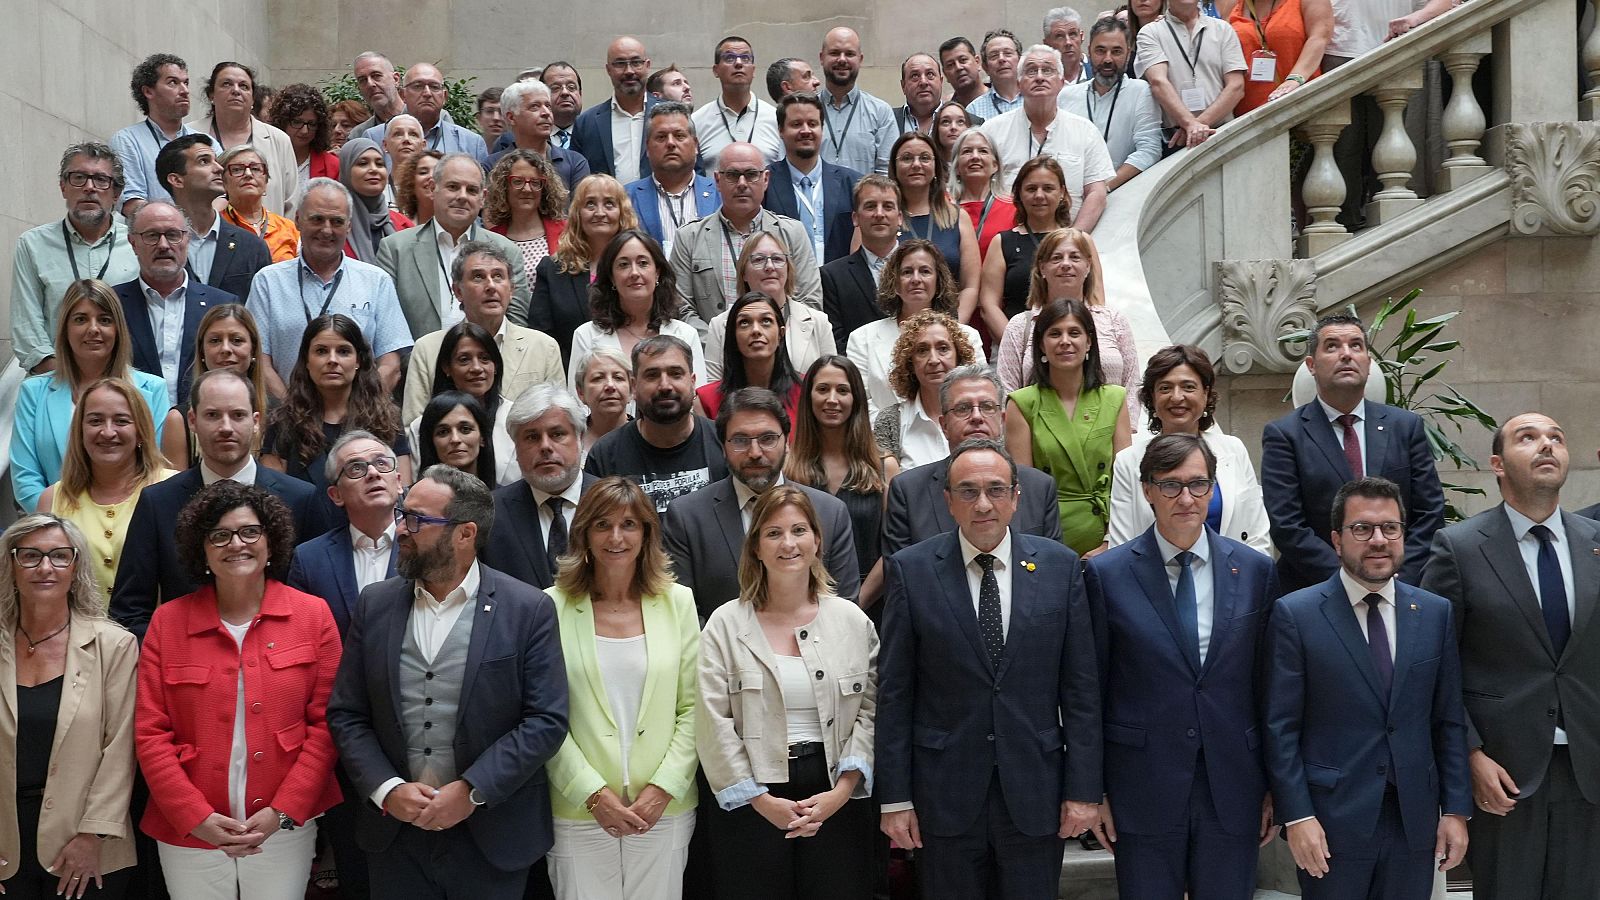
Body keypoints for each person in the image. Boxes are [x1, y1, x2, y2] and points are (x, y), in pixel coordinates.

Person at [327, 465, 570, 900]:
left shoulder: (528, 608)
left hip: (492, 834)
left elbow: (545, 720)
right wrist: (387, 789)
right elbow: (348, 713)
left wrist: (473, 790)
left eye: (416, 519)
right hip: (395, 836)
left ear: (465, 534)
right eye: (403, 514)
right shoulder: (375, 604)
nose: (402, 528)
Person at [877, 438, 1102, 900]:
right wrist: (895, 798)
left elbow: (1081, 691)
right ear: (948, 500)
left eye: (996, 490)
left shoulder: (1060, 568)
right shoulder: (912, 570)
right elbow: (895, 693)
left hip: (1035, 791)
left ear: (1016, 497)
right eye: (968, 491)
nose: (983, 504)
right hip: (944, 793)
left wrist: (1083, 790)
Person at [1084, 432, 1280, 898]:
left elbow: (1271, 688)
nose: (1186, 499)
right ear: (1147, 490)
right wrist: (1094, 790)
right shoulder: (1106, 575)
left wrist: (1275, 787)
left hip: (1233, 784)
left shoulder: (1256, 571)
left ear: (1213, 489)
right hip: (1140, 784)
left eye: (1198, 484)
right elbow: (1089, 691)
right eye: (1170, 485)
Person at [1420, 413, 1600, 900]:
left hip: (1588, 769)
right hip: (1503, 773)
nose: (1547, 444)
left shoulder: (1595, 542)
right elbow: (1433, 666)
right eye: (1528, 437)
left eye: (1556, 437)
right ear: (1497, 464)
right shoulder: (1459, 548)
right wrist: (1470, 755)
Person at [134, 481, 342, 900]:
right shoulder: (167, 622)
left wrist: (282, 811)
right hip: (189, 829)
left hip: (282, 825)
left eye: (249, 532)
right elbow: (150, 733)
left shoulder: (313, 615)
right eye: (220, 535)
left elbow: (326, 725)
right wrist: (193, 815)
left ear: (270, 541)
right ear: (202, 549)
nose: (236, 544)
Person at [1265, 477, 1471, 899]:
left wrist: (1455, 810)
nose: (1378, 540)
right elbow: (1280, 728)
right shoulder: (1297, 615)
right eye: (1362, 528)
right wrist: (1297, 816)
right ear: (1337, 540)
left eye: (1390, 528)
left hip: (1414, 822)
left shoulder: (1434, 613)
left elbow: (1448, 720)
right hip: (1330, 823)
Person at [696, 485, 879, 899]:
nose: (788, 543)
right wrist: (760, 801)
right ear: (756, 547)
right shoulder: (725, 624)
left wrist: (842, 791)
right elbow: (712, 721)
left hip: (835, 790)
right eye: (774, 533)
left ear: (817, 541)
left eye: (799, 530)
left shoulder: (852, 621)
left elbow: (870, 711)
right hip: (752, 797)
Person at [545, 477, 701, 900]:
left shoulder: (679, 602)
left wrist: (663, 789)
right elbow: (543, 716)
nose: (616, 537)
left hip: (663, 808)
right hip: (578, 808)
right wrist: (592, 794)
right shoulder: (550, 606)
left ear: (647, 533)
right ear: (584, 534)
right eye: (603, 525)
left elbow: (694, 708)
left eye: (629, 524)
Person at [110, 370, 323, 643]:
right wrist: (170, 652)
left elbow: (314, 600)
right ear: (192, 420)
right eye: (212, 415)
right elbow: (129, 610)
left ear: (256, 422)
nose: (226, 427)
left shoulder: (301, 499)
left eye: (238, 415)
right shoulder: (157, 502)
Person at [0, 514, 138, 899]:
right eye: (30, 556)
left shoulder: (114, 646)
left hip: (85, 843)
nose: (45, 567)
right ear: (11, 566)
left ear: (76, 567)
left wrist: (93, 834)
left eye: (60, 556)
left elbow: (121, 748)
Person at [1260, 313, 1445, 592]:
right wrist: (1348, 581)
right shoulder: (1285, 435)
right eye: (1332, 346)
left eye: (1356, 345)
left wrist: (1396, 576)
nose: (1346, 354)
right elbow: (1287, 526)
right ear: (1311, 365)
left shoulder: (1405, 427)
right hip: (1319, 590)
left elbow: (1430, 512)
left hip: (1399, 586)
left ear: (1368, 363)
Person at [663, 386, 860, 618]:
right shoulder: (687, 516)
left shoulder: (830, 512)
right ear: (723, 447)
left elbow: (843, 609)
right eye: (740, 440)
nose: (755, 452)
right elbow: (684, 617)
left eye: (768, 439)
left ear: (787, 442)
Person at [12, 279, 179, 514]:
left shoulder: (152, 390)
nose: (93, 329)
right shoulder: (33, 392)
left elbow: (155, 469)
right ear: (65, 328)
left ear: (118, 329)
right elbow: (25, 479)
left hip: (133, 524)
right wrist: (66, 526)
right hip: (56, 526)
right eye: (81, 319)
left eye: (104, 320)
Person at [246, 178, 414, 398]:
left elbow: (390, 364)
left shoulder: (376, 281)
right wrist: (292, 411)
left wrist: (356, 410)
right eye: (317, 219)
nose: (326, 230)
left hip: (358, 415)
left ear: (349, 226)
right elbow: (260, 362)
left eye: (336, 221)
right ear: (298, 220)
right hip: (286, 413)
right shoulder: (268, 282)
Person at [882, 365, 1063, 557]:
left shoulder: (1039, 487)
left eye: (987, 407)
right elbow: (900, 570)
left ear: (1002, 421)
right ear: (944, 425)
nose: (977, 417)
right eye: (963, 408)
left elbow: (1051, 565)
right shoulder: (908, 491)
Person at [1109, 345, 1273, 553]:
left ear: (1206, 394)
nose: (1177, 397)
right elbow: (1122, 546)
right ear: (1152, 397)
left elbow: (1257, 533)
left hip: (1232, 571)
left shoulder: (1234, 449)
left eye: (1188, 387)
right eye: (1165, 388)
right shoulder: (1128, 461)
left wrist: (1248, 573)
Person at [1005, 297, 1133, 556]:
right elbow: (1026, 490)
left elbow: (1125, 482)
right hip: (1047, 538)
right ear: (1041, 344)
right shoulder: (1021, 403)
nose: (1065, 341)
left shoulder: (1115, 398)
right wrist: (1045, 549)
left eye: (1074, 333)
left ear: (1089, 342)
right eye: (1055, 334)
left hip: (1108, 539)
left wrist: (1110, 541)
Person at [37, 377, 178, 595]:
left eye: (121, 421)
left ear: (140, 431)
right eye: (95, 421)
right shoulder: (51, 500)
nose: (108, 432)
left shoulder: (174, 490)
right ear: (80, 431)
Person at [669, 142, 823, 339]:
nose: (742, 183)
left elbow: (810, 301)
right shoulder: (688, 237)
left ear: (765, 179)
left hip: (782, 348)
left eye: (751, 174)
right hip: (712, 351)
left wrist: (772, 342)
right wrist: (720, 345)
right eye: (732, 175)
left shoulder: (792, 233)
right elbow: (681, 308)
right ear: (717, 180)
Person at [11, 142, 140, 375]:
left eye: (101, 179)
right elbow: (26, 327)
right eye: (78, 178)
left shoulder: (138, 242)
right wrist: (67, 381)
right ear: (63, 187)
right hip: (55, 380)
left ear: (116, 194)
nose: (89, 187)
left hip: (126, 380)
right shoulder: (33, 244)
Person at [262, 314, 413, 509]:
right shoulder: (282, 422)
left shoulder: (386, 419)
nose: (332, 360)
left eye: (343, 351)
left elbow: (402, 495)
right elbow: (273, 502)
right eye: (321, 351)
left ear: (358, 361)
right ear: (307, 360)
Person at [403, 240, 565, 422]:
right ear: (458, 291)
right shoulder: (428, 349)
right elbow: (414, 424)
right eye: (478, 277)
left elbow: (560, 418)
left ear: (511, 290)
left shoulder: (543, 347)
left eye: (498, 276)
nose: (491, 286)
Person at [785, 356, 900, 611]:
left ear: (856, 399)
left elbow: (893, 546)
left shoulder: (884, 467)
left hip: (870, 605)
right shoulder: (788, 469)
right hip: (803, 603)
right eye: (823, 389)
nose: (832, 399)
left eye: (843, 390)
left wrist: (855, 604)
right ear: (808, 397)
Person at [377, 154, 533, 339]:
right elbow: (387, 327)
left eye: (472, 190)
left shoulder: (506, 251)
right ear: (433, 188)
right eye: (453, 187)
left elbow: (516, 324)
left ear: (483, 198)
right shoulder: (395, 249)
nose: (462, 196)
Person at [111, 200, 238, 411]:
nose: (163, 245)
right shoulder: (113, 305)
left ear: (187, 240)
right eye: (152, 235)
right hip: (133, 422)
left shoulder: (221, 305)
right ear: (133, 243)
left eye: (173, 235)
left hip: (201, 423)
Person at [995, 227, 1138, 411]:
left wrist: (1125, 426)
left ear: (1088, 266)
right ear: (1042, 267)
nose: (1065, 264)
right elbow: (1007, 392)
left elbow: (1132, 386)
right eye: (1056, 258)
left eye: (1075, 257)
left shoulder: (1114, 321)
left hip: (1109, 427)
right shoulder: (1020, 326)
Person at [584, 336, 728, 515]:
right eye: (652, 375)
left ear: (692, 382)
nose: (665, 386)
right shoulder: (604, 455)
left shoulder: (724, 442)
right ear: (634, 386)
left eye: (675, 374)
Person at [977, 45, 1114, 232]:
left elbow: (1096, 193)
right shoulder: (992, 131)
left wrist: (1072, 239)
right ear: (1019, 83)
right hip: (1005, 241)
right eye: (1031, 71)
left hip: (1066, 240)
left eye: (1048, 70)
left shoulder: (1085, 131)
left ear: (1061, 82)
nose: (1039, 77)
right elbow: (977, 189)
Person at [845, 239, 984, 420]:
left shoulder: (969, 336)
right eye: (907, 272)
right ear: (895, 283)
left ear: (938, 281)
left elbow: (980, 393)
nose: (916, 279)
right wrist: (898, 430)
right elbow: (860, 403)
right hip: (883, 435)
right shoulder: (862, 338)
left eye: (925, 271)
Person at [285, 430, 401, 637]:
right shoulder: (309, 559)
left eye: (381, 463)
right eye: (356, 468)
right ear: (336, 495)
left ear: (399, 482)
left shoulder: (427, 544)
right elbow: (301, 638)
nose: (373, 473)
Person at [482, 385, 598, 589]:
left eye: (557, 434)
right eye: (532, 437)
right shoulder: (491, 514)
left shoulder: (615, 503)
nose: (545, 446)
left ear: (580, 439)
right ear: (516, 447)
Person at [572, 230, 707, 391]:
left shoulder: (686, 334)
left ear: (657, 273)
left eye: (643, 263)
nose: (634, 273)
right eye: (623, 265)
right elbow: (576, 401)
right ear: (611, 277)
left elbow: (697, 396)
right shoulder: (586, 336)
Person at [533, 174, 640, 368]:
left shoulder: (639, 267)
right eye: (590, 204)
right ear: (577, 214)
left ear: (622, 212)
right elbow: (542, 338)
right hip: (571, 374)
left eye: (609, 204)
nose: (600, 212)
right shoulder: (552, 269)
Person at [703, 232, 836, 383]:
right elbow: (713, 388)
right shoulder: (719, 325)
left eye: (777, 259)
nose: (770, 267)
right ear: (743, 273)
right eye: (758, 260)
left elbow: (831, 381)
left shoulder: (818, 322)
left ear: (788, 269)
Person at [155, 135, 273, 304]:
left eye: (216, 161)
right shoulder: (156, 245)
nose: (219, 168)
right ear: (176, 179)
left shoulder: (252, 246)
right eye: (204, 161)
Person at [975, 158, 1076, 342]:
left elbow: (1095, 301)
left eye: (1048, 188)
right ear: (1019, 194)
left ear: (1062, 192)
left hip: (1068, 345)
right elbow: (989, 305)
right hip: (1014, 344)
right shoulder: (1002, 242)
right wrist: (1019, 346)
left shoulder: (1079, 242)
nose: (1039, 195)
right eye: (1031, 189)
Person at [1057, 19, 1163, 190]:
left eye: (1116, 51)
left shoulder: (1141, 92)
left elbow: (1149, 150)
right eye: (1100, 51)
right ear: (1089, 51)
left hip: (1120, 193)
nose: (1108, 59)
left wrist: (1104, 187)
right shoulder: (1066, 96)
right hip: (1071, 193)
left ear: (1128, 54)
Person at [186, 62, 299, 214]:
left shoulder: (279, 140)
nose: (236, 90)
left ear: (253, 99)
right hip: (204, 227)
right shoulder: (188, 135)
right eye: (226, 84)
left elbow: (291, 203)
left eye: (244, 86)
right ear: (211, 94)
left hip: (267, 228)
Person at [888, 132, 981, 319]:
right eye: (907, 158)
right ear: (894, 167)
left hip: (949, 326)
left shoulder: (958, 217)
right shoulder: (881, 218)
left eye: (924, 158)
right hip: (893, 325)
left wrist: (952, 328)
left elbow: (971, 286)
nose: (916, 164)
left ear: (936, 166)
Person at [873, 311, 980, 471]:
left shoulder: (980, 416)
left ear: (958, 357)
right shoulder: (890, 421)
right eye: (922, 350)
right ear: (910, 362)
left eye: (943, 348)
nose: (934, 360)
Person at [764, 93, 860, 267]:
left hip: (838, 281)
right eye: (796, 124)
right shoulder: (765, 182)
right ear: (780, 130)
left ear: (822, 128)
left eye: (812, 124)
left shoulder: (852, 183)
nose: (806, 131)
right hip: (786, 280)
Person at [1137, 0, 1248, 150]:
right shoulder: (1150, 32)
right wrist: (1190, 124)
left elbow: (1236, 86)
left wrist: (1196, 126)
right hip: (1177, 141)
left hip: (1221, 132)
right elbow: (1158, 82)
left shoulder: (1223, 29)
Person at [111, 53, 203, 216]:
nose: (185, 91)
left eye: (186, 83)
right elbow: (131, 203)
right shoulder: (127, 141)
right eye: (173, 82)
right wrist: (178, 223)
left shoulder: (206, 142)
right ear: (148, 91)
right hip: (155, 231)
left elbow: (224, 195)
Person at [622, 102, 719, 256]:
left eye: (679, 136)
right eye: (661, 137)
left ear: (695, 145)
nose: (671, 143)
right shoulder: (626, 197)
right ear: (647, 148)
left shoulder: (720, 192)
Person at [820, 176, 902, 353]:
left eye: (888, 206)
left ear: (900, 218)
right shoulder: (832, 276)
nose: (879, 214)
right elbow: (835, 341)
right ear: (855, 218)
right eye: (870, 206)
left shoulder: (924, 268)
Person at [698, 291, 804, 423]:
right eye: (744, 323)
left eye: (766, 321)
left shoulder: (808, 390)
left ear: (781, 334)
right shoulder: (706, 400)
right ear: (733, 337)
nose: (756, 330)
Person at [572, 37, 659, 183]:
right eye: (620, 64)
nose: (629, 71)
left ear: (647, 65)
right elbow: (577, 182)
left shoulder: (671, 115)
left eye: (636, 62)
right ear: (608, 70)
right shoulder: (586, 124)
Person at [366, 64, 490, 165]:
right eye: (418, 86)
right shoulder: (374, 137)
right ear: (403, 95)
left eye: (434, 87)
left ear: (444, 97)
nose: (427, 93)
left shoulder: (471, 143)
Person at [1224, 0, 1332, 113]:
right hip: (1248, 109)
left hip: (1300, 101)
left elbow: (1319, 37)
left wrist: (1295, 79)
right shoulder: (1232, 4)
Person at [816, 27, 897, 175]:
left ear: (860, 59)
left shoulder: (881, 112)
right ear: (822, 58)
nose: (842, 59)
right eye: (834, 53)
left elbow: (886, 173)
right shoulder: (806, 111)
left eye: (849, 54)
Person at [488, 80, 593, 192]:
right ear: (511, 118)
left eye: (548, 106)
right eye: (535, 107)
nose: (546, 113)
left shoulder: (575, 163)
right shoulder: (492, 165)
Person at [485, 150, 569, 290]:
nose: (527, 189)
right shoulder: (490, 240)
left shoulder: (567, 233)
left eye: (535, 183)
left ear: (544, 189)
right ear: (504, 187)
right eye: (518, 181)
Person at [692, 36, 783, 166]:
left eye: (745, 58)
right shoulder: (697, 122)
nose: (739, 63)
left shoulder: (775, 118)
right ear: (716, 70)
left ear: (753, 70)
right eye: (729, 58)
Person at [188, 304, 271, 442]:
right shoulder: (179, 419)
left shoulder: (280, 417)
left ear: (253, 349)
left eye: (237, 340)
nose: (225, 349)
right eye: (215, 340)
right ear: (202, 351)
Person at [338, 137, 415, 265]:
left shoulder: (404, 225)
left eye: (380, 164)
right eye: (363, 163)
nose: (374, 169)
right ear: (346, 170)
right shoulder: (332, 225)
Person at [947, 128, 1016, 266]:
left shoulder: (1014, 208)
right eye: (967, 151)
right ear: (956, 166)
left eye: (983, 151)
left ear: (995, 165)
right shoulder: (943, 205)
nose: (975, 157)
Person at [219, 146, 301, 263]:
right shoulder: (217, 226)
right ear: (223, 182)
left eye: (255, 169)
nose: (248, 174)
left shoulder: (287, 228)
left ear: (266, 180)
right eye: (237, 169)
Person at [414, 391, 504, 486]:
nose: (455, 439)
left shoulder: (505, 495)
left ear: (482, 437)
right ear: (431, 441)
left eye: (465, 429)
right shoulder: (413, 495)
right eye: (443, 432)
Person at [270, 83, 341, 184]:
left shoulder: (332, 166)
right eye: (297, 122)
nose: (305, 131)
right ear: (282, 122)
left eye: (312, 124)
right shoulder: (264, 159)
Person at [574, 349, 634, 460]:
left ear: (632, 390)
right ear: (581, 392)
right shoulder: (570, 442)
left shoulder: (648, 438)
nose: (610, 386)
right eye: (598, 378)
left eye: (618, 378)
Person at [965, 30, 1027, 120]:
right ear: (985, 67)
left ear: (1020, 61)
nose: (1001, 59)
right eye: (994, 55)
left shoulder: (1038, 98)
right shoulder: (974, 110)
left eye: (1007, 53)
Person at [348, 52, 406, 138]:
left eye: (376, 76)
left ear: (396, 79)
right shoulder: (359, 135)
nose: (370, 84)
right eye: (362, 80)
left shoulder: (424, 121)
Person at [895, 53, 945, 136]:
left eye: (930, 74)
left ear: (941, 81)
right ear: (903, 86)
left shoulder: (964, 120)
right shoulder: (887, 119)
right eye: (915, 76)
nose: (923, 82)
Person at [543, 62, 585, 152]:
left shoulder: (595, 132)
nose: (565, 92)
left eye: (571, 87)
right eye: (555, 88)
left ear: (580, 94)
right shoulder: (530, 136)